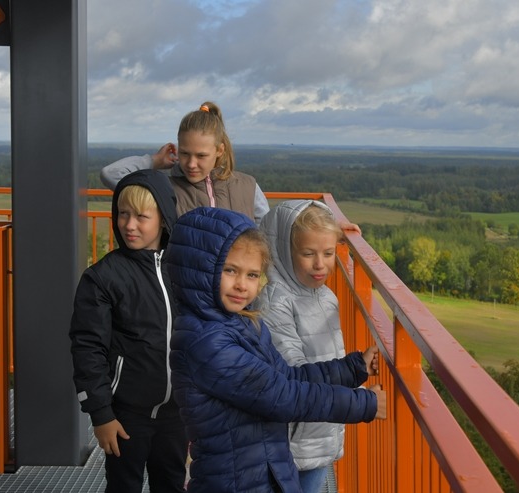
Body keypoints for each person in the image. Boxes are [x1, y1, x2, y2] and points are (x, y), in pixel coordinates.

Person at [164, 206, 386, 493]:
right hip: (233, 481)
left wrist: (352, 368)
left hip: (259, 469)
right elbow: (281, 396)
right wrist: (363, 403)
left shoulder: (239, 324)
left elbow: (288, 377)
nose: (242, 285)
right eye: (230, 270)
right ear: (198, 268)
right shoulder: (207, 343)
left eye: (253, 275)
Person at [69, 169, 188, 493]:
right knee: (124, 487)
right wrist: (101, 415)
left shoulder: (183, 270)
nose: (129, 225)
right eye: (123, 214)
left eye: (141, 216)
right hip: (125, 416)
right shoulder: (103, 277)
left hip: (177, 415)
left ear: (163, 219)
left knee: (172, 485)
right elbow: (87, 348)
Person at [258, 199, 357, 493]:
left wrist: (339, 231)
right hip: (290, 435)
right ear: (285, 253)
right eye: (308, 253)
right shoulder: (276, 300)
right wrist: (355, 389)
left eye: (328, 253)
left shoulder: (325, 296)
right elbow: (294, 370)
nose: (320, 264)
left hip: (320, 426)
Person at [100, 101, 269, 224]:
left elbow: (266, 237)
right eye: (185, 153)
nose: (191, 164)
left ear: (220, 150)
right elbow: (111, 174)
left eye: (201, 155)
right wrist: (154, 161)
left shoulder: (248, 187)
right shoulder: (164, 188)